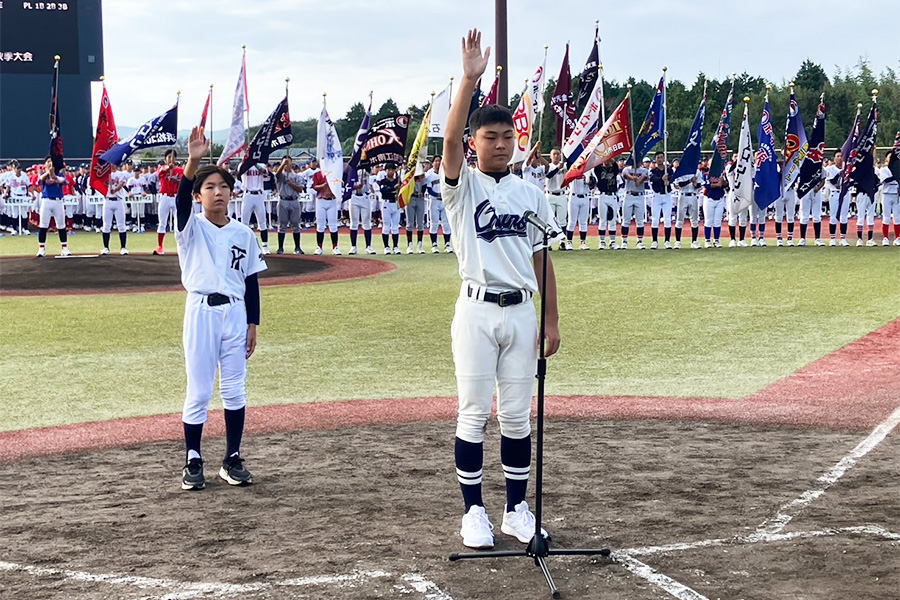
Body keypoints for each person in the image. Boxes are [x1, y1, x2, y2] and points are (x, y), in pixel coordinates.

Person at [442, 29, 562, 550]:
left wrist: (552, 320)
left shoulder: (531, 193)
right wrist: (469, 79)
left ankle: (516, 509)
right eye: (489, 137)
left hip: (521, 313)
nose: (500, 143)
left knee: (516, 416)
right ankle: (474, 513)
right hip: (475, 310)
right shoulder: (461, 186)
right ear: (475, 142)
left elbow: (542, 257)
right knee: (473, 413)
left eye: (507, 135)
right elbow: (446, 145)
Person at [175, 126, 267, 491]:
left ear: (232, 193)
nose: (218, 192)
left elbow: (251, 281)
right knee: (199, 391)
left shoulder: (243, 233)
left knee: (235, 390)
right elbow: (180, 202)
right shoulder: (190, 228)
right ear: (199, 195)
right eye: (210, 187)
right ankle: (193, 458)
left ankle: (232, 458)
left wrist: (253, 324)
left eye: (224, 187)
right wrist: (194, 161)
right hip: (201, 311)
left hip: (235, 315)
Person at [35, 156, 71, 257]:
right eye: (48, 162)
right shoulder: (42, 174)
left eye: (51, 161)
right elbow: (40, 180)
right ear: (45, 164)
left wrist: (53, 174)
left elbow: (61, 180)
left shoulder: (60, 174)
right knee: (43, 226)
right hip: (46, 201)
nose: (50, 163)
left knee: (61, 225)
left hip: (58, 201)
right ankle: (41, 248)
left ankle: (64, 248)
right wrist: (48, 172)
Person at [273, 156, 305, 254]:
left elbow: (300, 189)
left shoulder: (297, 176)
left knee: (295, 224)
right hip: (283, 199)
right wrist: (282, 165)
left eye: (288, 163)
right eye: (285, 163)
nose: (287, 165)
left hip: (294, 200)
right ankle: (280, 248)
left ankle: (297, 247)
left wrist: (291, 184)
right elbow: (277, 175)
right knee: (282, 224)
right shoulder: (281, 175)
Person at [155, 150, 183, 255]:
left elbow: (182, 182)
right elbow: (161, 171)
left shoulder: (179, 170)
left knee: (178, 222)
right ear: (166, 158)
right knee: (162, 222)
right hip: (165, 196)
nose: (171, 159)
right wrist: (169, 168)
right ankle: (160, 246)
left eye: (172, 157)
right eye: (169, 157)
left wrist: (176, 181)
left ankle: (180, 246)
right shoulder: (162, 168)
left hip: (175, 196)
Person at [240, 162, 271, 255]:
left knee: (262, 221)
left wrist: (255, 164)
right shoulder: (243, 164)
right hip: (248, 194)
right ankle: (244, 245)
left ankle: (265, 246)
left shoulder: (261, 165)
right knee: (244, 222)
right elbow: (241, 171)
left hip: (259, 194)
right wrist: (249, 162)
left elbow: (265, 172)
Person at [310, 163, 341, 255]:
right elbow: (315, 187)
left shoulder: (335, 174)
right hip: (321, 200)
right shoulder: (318, 174)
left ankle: (335, 246)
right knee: (320, 225)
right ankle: (319, 246)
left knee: (333, 225)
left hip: (332, 200)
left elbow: (338, 185)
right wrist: (323, 185)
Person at [620, 157, 650, 250]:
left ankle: (640, 241)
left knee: (640, 220)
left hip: (639, 195)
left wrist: (637, 179)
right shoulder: (627, 169)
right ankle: (624, 241)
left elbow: (639, 182)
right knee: (626, 220)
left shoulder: (644, 170)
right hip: (629, 194)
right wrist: (633, 177)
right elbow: (626, 175)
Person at [99, 162, 130, 255]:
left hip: (118, 200)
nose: (113, 165)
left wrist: (115, 189)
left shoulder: (121, 174)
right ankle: (106, 247)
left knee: (121, 225)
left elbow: (121, 184)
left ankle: (123, 247)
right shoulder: (105, 174)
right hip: (107, 200)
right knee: (106, 225)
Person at [425, 156, 453, 253]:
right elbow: (428, 189)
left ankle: (447, 244)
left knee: (446, 223)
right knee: (434, 223)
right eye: (436, 161)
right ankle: (434, 244)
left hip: (445, 201)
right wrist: (438, 194)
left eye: (439, 161)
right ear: (433, 163)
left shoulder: (445, 172)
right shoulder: (429, 174)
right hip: (434, 200)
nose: (438, 162)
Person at [673, 160, 703, 249]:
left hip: (693, 195)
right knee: (680, 219)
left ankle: (694, 241)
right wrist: (690, 180)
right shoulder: (681, 171)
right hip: (683, 195)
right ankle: (678, 242)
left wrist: (695, 183)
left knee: (694, 219)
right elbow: (680, 184)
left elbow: (699, 185)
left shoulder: (697, 171)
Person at [592, 158, 620, 250]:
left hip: (612, 195)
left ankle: (612, 242)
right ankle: (602, 242)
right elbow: (596, 165)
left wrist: (609, 157)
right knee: (602, 219)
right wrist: (602, 156)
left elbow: (616, 165)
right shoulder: (599, 169)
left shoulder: (614, 169)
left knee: (612, 220)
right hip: (603, 195)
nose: (606, 161)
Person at [648, 152, 674, 249]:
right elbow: (653, 179)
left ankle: (667, 241)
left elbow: (672, 178)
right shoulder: (653, 171)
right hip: (657, 195)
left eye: (661, 157)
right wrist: (661, 179)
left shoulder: (669, 170)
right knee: (655, 219)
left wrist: (669, 181)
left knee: (667, 219)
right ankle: (654, 241)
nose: (659, 159)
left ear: (664, 159)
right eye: (658, 157)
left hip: (666, 195)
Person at [544, 148, 568, 251]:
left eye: (558, 154)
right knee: (550, 219)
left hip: (561, 194)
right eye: (554, 154)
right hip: (550, 194)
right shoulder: (549, 167)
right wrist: (558, 168)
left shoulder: (564, 166)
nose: (556, 156)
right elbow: (549, 175)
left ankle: (562, 241)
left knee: (562, 219)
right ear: (550, 156)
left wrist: (566, 154)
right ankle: (549, 242)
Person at [823, 155, 849, 246]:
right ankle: (833, 238)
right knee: (833, 215)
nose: (840, 158)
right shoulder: (830, 169)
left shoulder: (847, 167)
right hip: (834, 192)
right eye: (838, 156)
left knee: (844, 215)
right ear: (834, 158)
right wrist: (839, 174)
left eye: (841, 156)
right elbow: (832, 181)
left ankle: (843, 238)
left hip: (844, 193)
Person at [378, 163, 402, 254]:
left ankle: (395, 246)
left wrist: (398, 187)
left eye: (392, 169)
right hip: (386, 203)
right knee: (386, 225)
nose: (391, 171)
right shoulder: (383, 181)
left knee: (395, 226)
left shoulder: (397, 181)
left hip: (395, 203)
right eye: (389, 170)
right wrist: (393, 188)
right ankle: (386, 246)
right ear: (385, 171)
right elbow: (384, 191)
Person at [565, 171, 592, 250]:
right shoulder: (573, 169)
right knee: (572, 221)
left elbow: (594, 183)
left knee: (583, 221)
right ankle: (569, 242)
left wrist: (589, 181)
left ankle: (582, 242)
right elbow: (567, 179)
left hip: (585, 196)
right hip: (574, 196)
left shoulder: (589, 170)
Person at [405, 168, 427, 254]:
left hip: (420, 198)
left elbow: (424, 185)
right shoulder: (408, 173)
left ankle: (420, 245)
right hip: (410, 198)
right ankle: (410, 245)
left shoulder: (422, 173)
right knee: (409, 223)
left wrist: (423, 191)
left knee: (420, 223)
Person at [880, 151, 899, 246]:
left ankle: (897, 237)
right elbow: (885, 180)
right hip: (887, 194)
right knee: (886, 216)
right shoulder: (884, 170)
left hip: (896, 193)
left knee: (897, 217)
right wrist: (895, 176)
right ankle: (885, 237)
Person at [703, 171, 727, 248]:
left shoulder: (721, 174)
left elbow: (726, 185)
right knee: (708, 220)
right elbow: (707, 185)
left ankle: (716, 240)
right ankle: (707, 240)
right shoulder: (707, 174)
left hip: (720, 198)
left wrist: (723, 182)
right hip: (709, 198)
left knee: (717, 221)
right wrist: (717, 185)